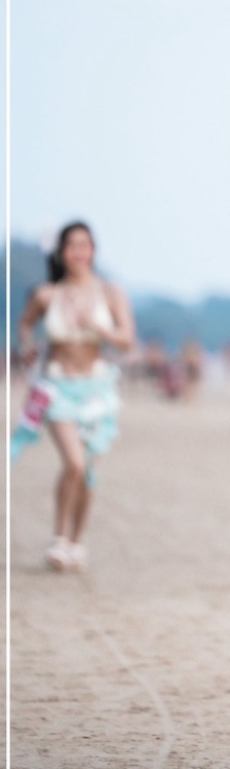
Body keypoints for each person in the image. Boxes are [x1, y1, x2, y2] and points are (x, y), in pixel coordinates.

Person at [12, 221, 136, 570]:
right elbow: (25, 324)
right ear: (61, 252)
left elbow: (127, 341)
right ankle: (59, 538)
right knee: (75, 464)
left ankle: (76, 542)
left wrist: (98, 327)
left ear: (93, 251)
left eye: (85, 245)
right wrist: (27, 345)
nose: (78, 252)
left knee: (89, 472)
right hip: (56, 388)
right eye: (71, 246)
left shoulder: (110, 292)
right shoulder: (46, 295)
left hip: (96, 391)